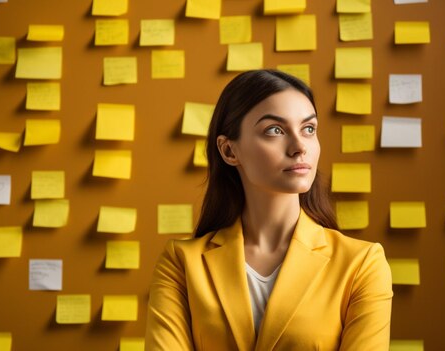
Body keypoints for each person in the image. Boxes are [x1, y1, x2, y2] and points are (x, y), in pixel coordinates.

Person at [145, 70, 393, 351]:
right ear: (229, 151)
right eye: (275, 130)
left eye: (309, 129)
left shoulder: (362, 264)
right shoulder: (181, 263)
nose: (300, 147)